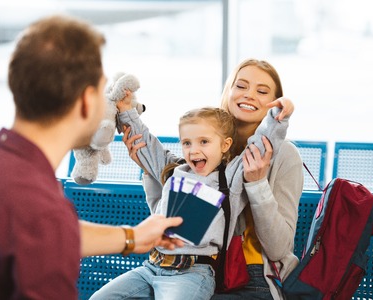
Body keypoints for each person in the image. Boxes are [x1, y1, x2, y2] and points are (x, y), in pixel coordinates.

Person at [0, 15, 184, 300]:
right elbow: (42, 228)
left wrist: (132, 238)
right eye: (102, 89)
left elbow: (38, 235)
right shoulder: (41, 209)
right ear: (87, 101)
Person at [89, 81, 292, 299]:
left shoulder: (229, 179)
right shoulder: (174, 170)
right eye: (187, 143)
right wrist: (126, 109)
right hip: (151, 268)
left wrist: (278, 116)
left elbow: (260, 146)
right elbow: (144, 142)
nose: (194, 150)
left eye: (204, 142)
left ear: (225, 145)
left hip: (192, 273)